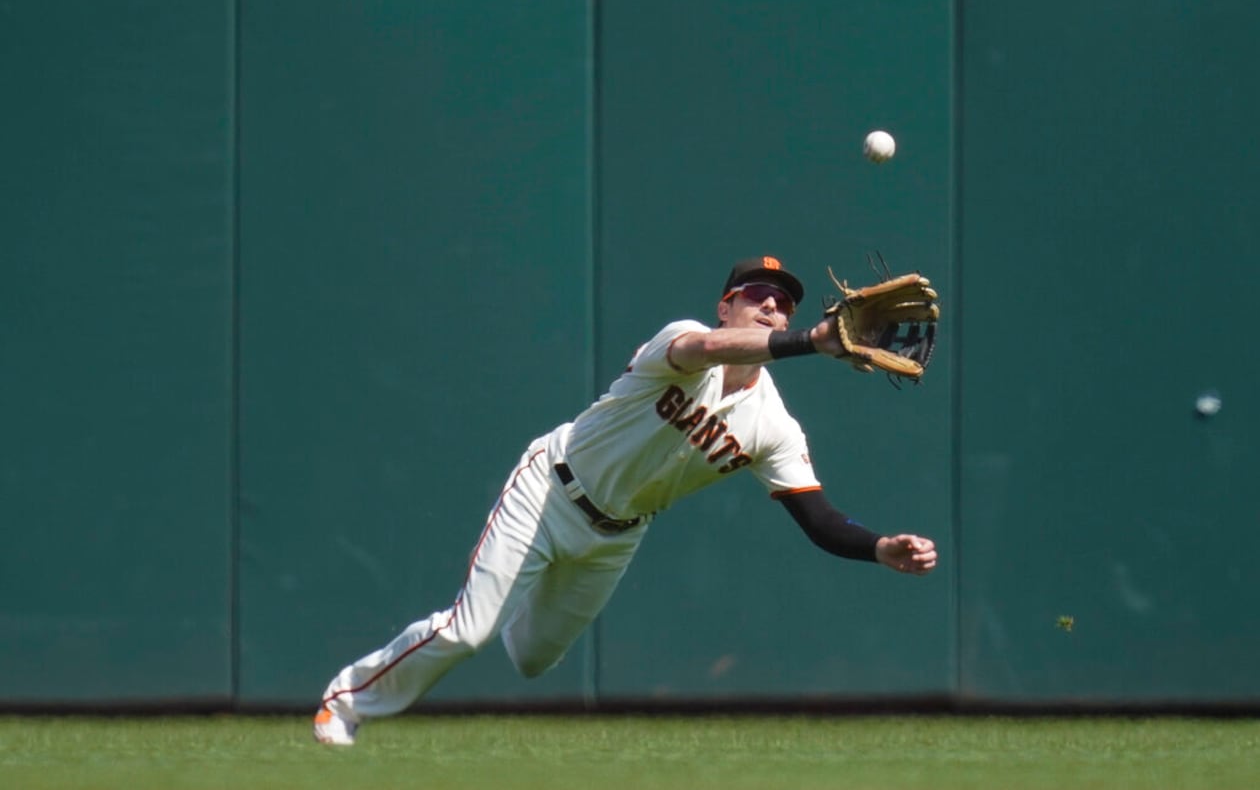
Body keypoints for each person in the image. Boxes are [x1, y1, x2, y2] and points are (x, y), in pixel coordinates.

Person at [313, 255, 939, 745]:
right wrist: (811, 340)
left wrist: (880, 547)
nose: (771, 304)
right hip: (551, 488)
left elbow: (819, 518)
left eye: (783, 302)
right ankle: (345, 703)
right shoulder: (687, 338)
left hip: (615, 535)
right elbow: (709, 352)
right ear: (726, 306)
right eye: (756, 294)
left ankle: (515, 586)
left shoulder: (773, 426)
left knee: (532, 659)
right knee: (470, 631)